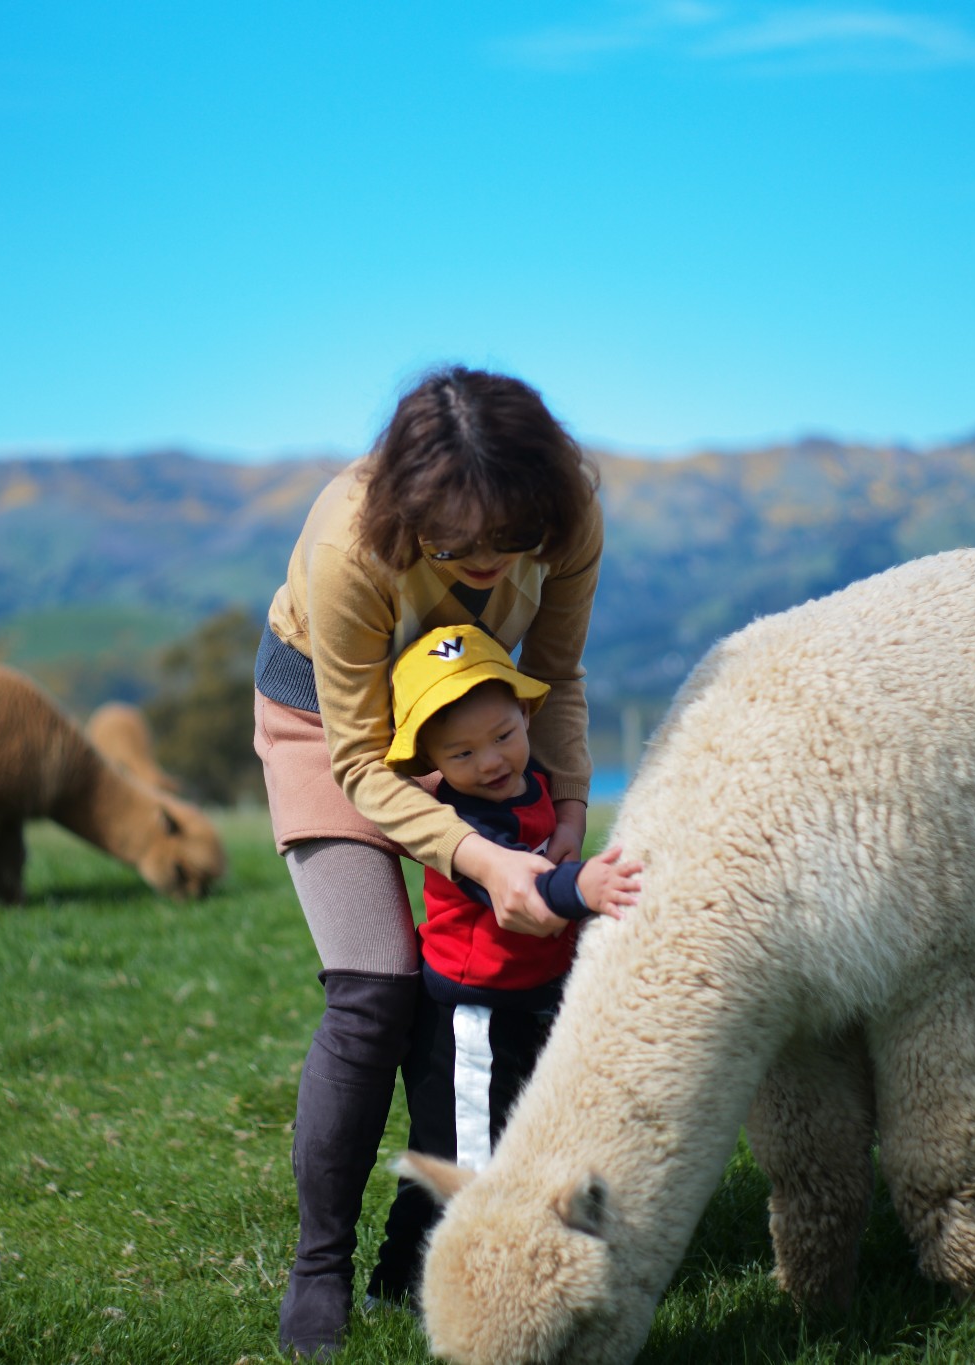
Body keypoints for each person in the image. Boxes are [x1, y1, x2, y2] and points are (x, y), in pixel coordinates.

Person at [251, 367, 612, 1357]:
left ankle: (429, 1243)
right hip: (333, 723)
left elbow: (560, 671)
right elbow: (363, 761)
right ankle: (320, 1262)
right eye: (455, 547)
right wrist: (476, 862)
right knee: (375, 989)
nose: (487, 563)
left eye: (510, 542)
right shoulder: (346, 543)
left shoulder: (568, 507)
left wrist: (567, 809)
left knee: (475, 996)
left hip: (483, 720)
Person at [361, 624, 642, 1304]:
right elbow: (524, 888)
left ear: (526, 716)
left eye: (502, 735)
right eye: (460, 751)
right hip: (469, 1021)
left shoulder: (533, 781)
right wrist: (586, 889)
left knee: (531, 1139)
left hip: (529, 999)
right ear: (430, 761)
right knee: (466, 1164)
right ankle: (421, 1287)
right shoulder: (466, 827)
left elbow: (550, 833)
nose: (490, 760)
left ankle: (491, 1267)